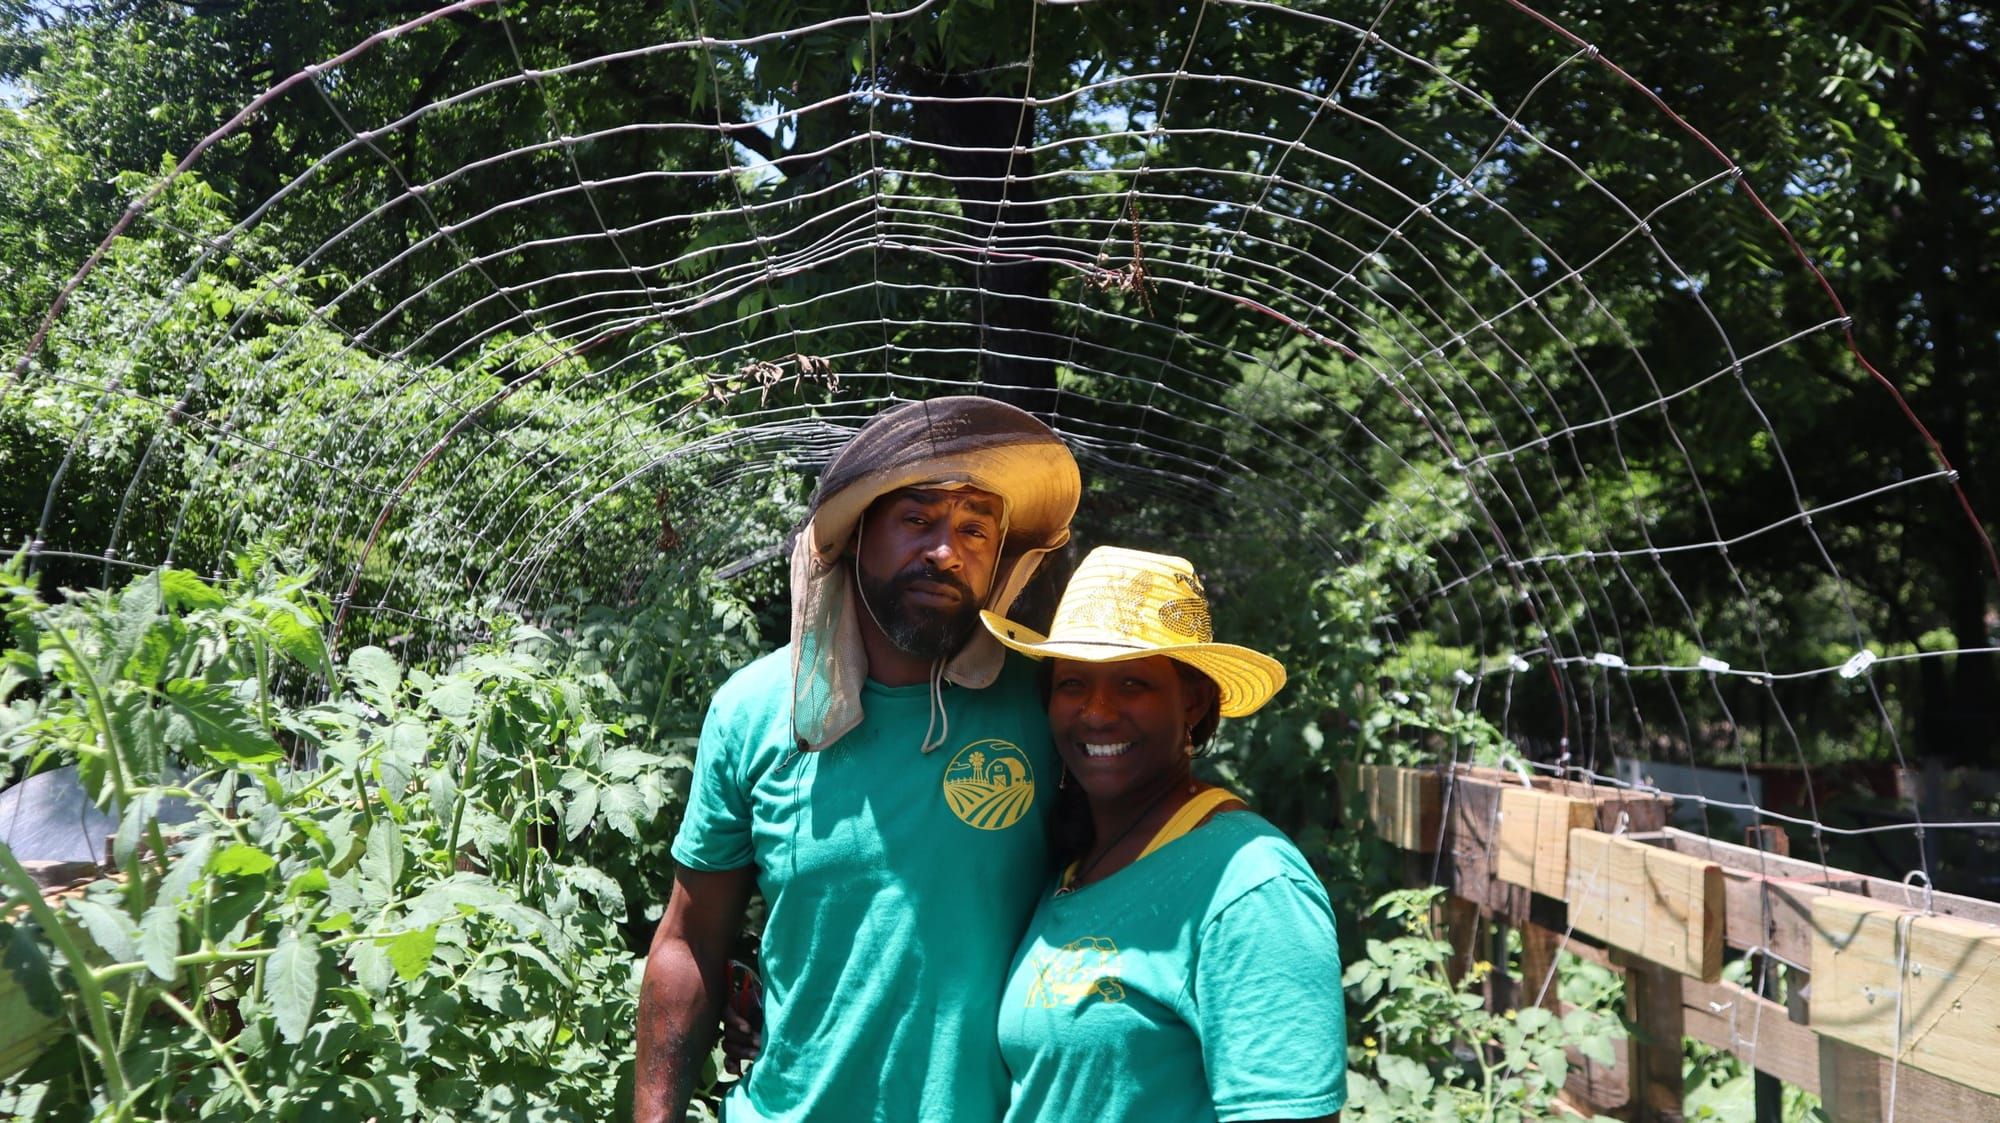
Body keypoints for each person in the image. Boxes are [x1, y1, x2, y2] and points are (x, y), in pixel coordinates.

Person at [634, 395, 1082, 1123]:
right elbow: (689, 937)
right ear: (856, 534)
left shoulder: (1046, 703)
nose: (945, 550)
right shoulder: (755, 710)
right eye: (916, 519)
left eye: (975, 529)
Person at [980, 545, 1348, 1123]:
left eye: (1132, 683)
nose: (1097, 712)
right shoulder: (1078, 863)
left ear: (1194, 700)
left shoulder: (1251, 884)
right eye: (1073, 682)